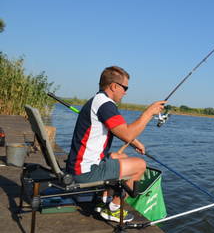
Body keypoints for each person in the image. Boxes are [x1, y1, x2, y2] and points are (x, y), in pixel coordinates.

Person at [66, 66, 166, 222]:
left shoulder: (98, 100)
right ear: (114, 86)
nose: (125, 92)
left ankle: (104, 200)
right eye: (125, 87)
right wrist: (148, 113)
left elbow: (119, 131)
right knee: (139, 165)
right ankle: (113, 209)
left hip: (78, 165)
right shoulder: (106, 105)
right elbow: (127, 132)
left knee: (121, 156)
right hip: (85, 171)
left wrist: (134, 142)